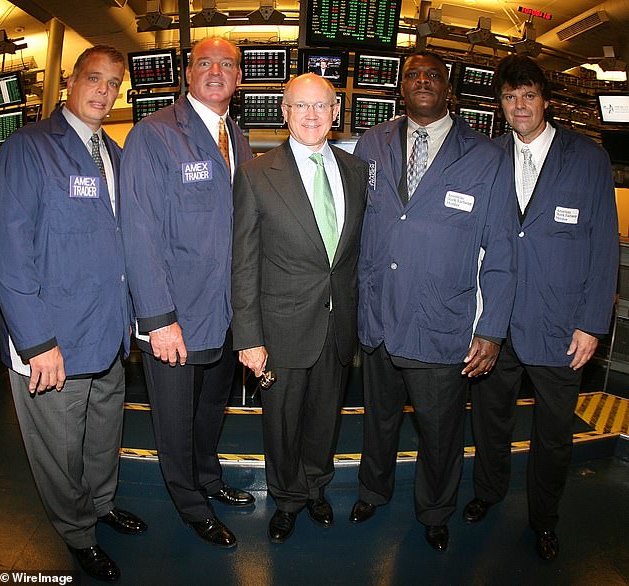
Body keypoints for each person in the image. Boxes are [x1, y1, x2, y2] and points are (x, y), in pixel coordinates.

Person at [349, 51, 516, 552]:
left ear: (450, 90)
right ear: (401, 88)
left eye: (433, 76)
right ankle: (372, 491)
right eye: (413, 76)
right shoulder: (371, 143)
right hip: (378, 313)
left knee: (439, 429)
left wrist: (491, 330)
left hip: (439, 320)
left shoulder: (486, 156)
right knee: (376, 418)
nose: (423, 81)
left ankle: (436, 509)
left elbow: (504, 248)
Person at [0, 45, 146, 582]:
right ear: (70, 84)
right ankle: (77, 532)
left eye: (113, 83)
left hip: (107, 335)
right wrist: (36, 343)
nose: (103, 91)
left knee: (104, 435)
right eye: (93, 79)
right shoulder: (29, 149)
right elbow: (9, 253)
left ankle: (102, 504)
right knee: (59, 450)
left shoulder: (117, 155)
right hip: (54, 341)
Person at [463, 55, 618, 561]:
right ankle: (487, 493)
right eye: (510, 97)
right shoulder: (487, 156)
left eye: (528, 95)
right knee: (490, 423)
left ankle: (543, 519)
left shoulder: (588, 157)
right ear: (500, 105)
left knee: (553, 436)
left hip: (560, 326)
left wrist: (592, 324)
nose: (520, 105)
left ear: (545, 100)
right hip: (497, 323)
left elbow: (603, 248)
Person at [120, 37, 254, 549]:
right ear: (187, 73)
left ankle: (209, 475)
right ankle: (190, 503)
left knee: (209, 411)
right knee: (174, 421)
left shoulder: (238, 139)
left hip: (224, 314)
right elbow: (139, 231)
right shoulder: (153, 135)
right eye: (205, 63)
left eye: (227, 64)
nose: (216, 71)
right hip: (175, 316)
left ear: (239, 78)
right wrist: (158, 319)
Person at [232, 73, 367, 543]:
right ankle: (286, 499)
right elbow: (243, 262)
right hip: (281, 327)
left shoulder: (356, 171)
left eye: (321, 106)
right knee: (283, 423)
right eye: (300, 106)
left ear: (335, 113)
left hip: (338, 325)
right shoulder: (255, 175)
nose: (311, 115)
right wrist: (248, 337)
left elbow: (354, 256)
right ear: (284, 113)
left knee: (325, 418)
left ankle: (316, 488)